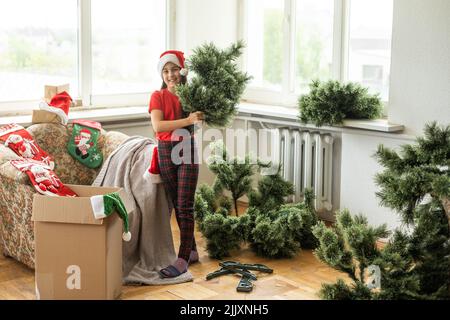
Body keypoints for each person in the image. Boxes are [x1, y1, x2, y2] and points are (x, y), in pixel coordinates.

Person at [149, 50, 204, 278]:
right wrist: (188, 120)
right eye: (165, 70)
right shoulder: (157, 96)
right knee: (176, 204)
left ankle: (182, 258)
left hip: (187, 148)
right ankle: (192, 251)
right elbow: (158, 127)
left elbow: (199, 119)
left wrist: (196, 118)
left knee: (185, 205)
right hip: (165, 150)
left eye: (174, 69)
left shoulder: (191, 96)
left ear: (182, 71)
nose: (170, 75)